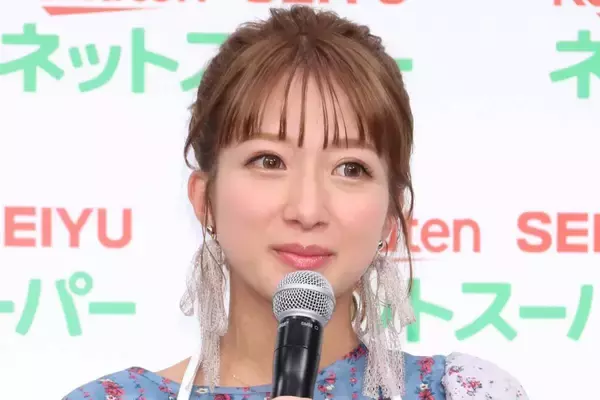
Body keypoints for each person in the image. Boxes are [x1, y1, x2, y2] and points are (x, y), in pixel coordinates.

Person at [62, 5, 528, 400]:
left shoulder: (462, 391)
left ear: (391, 215)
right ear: (205, 199)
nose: (307, 210)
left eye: (350, 168)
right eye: (269, 161)